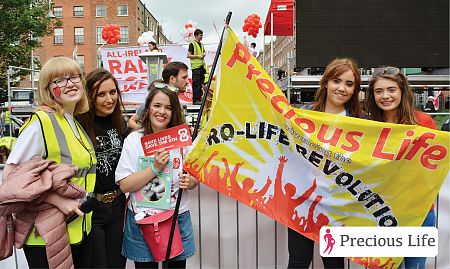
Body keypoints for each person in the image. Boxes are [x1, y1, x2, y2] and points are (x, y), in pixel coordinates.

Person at [4, 56, 96, 268]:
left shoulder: (73, 122)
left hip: (76, 229)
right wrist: (60, 201)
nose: (70, 83)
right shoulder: (41, 122)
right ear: (48, 88)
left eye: (74, 77)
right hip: (45, 234)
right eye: (59, 80)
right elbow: (11, 179)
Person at [289, 58, 363, 269]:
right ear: (326, 83)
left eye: (349, 84)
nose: (342, 88)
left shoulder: (362, 122)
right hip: (302, 203)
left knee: (334, 265)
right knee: (298, 262)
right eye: (336, 81)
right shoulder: (303, 115)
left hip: (336, 206)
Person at [116, 82, 197, 268]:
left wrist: (191, 182)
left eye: (168, 107)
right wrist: (154, 169)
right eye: (157, 106)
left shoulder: (183, 140)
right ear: (148, 108)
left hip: (177, 217)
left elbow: (194, 178)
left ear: (174, 112)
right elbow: (124, 185)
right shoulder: (134, 140)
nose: (162, 112)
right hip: (142, 219)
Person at [366, 66, 436, 269]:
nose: (385, 96)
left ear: (402, 91)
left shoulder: (423, 122)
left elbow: (432, 168)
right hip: (380, 213)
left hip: (419, 212)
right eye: (379, 91)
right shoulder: (367, 126)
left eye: (391, 90)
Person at [76, 68, 131, 268]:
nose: (109, 99)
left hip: (117, 205)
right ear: (90, 96)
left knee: (117, 264)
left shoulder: (121, 124)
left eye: (113, 92)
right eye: (101, 94)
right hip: (91, 208)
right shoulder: (79, 125)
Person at [128, 61, 189, 130]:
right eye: (184, 77)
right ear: (172, 79)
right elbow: (131, 121)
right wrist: (145, 133)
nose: (187, 81)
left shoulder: (178, 102)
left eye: (168, 108)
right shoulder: (150, 102)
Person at [187, 29, 206, 105]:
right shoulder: (192, 44)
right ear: (196, 35)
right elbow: (188, 55)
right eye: (200, 35)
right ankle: (195, 100)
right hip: (195, 67)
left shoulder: (201, 44)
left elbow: (203, 52)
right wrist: (198, 56)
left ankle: (200, 99)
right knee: (196, 83)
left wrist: (203, 54)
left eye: (202, 35)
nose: (201, 37)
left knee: (201, 83)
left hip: (201, 66)